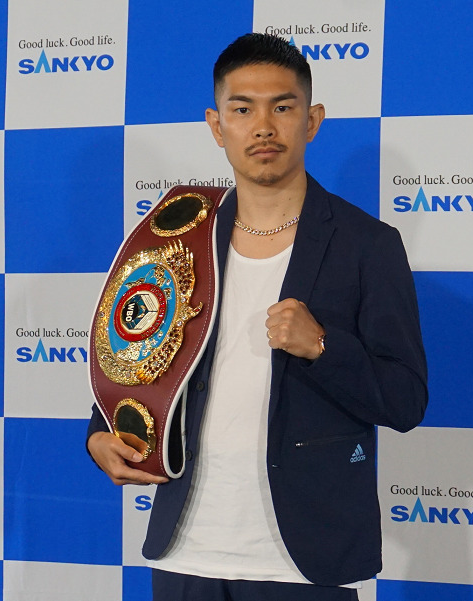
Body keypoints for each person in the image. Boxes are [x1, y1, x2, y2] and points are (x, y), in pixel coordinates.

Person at [87, 33, 428, 601]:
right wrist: (101, 433)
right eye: (242, 110)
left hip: (302, 561)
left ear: (312, 121)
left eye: (282, 108)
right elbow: (136, 350)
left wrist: (323, 347)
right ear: (217, 125)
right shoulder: (177, 233)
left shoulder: (368, 245)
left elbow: (406, 401)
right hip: (186, 549)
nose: (263, 127)